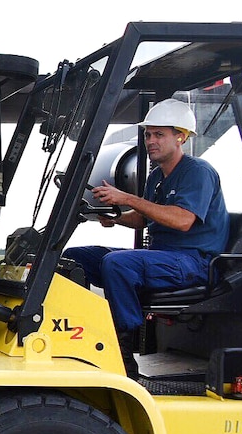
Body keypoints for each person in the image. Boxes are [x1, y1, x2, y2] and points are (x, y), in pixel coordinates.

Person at [63, 99, 229, 377]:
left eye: (159, 135)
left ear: (181, 137)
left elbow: (182, 219)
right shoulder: (157, 177)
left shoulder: (198, 172)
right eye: (148, 134)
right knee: (75, 257)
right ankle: (78, 333)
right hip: (164, 258)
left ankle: (124, 349)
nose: (151, 141)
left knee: (118, 264)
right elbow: (144, 219)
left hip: (195, 262)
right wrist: (115, 217)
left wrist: (127, 198)